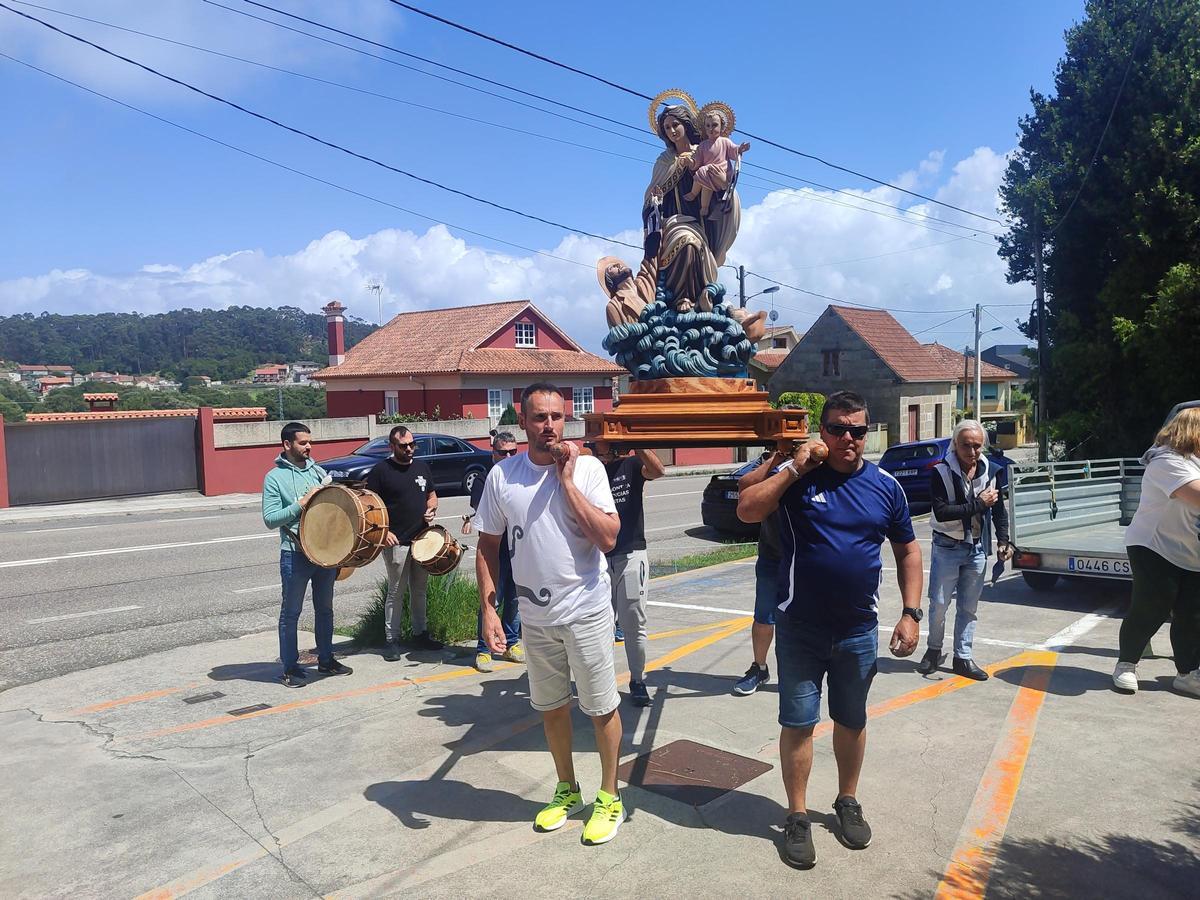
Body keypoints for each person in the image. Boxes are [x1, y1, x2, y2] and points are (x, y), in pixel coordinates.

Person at [737, 390, 923, 869]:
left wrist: (911, 612)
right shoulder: (800, 479)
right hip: (800, 627)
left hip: (858, 629)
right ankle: (797, 816)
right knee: (798, 724)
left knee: (852, 719)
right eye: (838, 429)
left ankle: (847, 799)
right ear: (823, 432)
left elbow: (907, 550)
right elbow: (748, 508)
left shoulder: (885, 487)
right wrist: (794, 466)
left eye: (857, 431)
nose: (847, 439)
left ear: (868, 433)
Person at [474, 383, 626, 846]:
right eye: (539, 417)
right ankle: (566, 788)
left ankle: (609, 796)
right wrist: (489, 609)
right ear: (522, 422)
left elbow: (608, 538)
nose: (549, 426)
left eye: (557, 417)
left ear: (567, 420)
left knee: (600, 706)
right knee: (552, 708)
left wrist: (565, 481)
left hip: (585, 608)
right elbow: (488, 545)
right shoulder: (503, 477)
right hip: (534, 617)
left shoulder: (590, 470)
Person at [1112, 407, 1200, 696]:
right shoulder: (1166, 462)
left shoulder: (1194, 462)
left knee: (1192, 614)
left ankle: (1187, 673)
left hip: (1190, 551)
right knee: (1152, 607)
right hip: (1153, 546)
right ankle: (1126, 664)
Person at [918, 420, 1012, 680]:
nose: (972, 452)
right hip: (947, 546)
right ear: (955, 445)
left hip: (977, 548)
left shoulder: (991, 471)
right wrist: (978, 504)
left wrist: (1004, 541)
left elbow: (999, 512)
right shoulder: (941, 472)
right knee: (938, 604)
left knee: (969, 608)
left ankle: (963, 657)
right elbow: (941, 511)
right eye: (966, 446)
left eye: (977, 446)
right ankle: (933, 651)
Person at [261, 422, 352, 688]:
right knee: (291, 613)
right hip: (295, 554)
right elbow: (270, 519)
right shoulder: (274, 478)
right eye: (302, 443)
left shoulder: (318, 472)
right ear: (287, 445)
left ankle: (326, 659)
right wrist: (301, 503)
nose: (309, 447)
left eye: (310, 442)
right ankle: (290, 668)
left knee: (325, 609)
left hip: (323, 554)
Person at [592, 441, 666, 707]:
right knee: (599, 625)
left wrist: (639, 444)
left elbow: (657, 470)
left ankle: (637, 680)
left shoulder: (632, 465)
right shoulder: (591, 469)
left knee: (634, 623)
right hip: (598, 557)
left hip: (631, 554)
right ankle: (602, 681)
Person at [365, 425, 441, 661]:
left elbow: (431, 494)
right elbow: (369, 507)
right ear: (392, 447)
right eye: (403, 446)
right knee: (396, 591)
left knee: (420, 590)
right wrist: (383, 532)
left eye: (411, 444)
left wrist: (432, 509)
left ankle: (420, 634)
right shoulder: (380, 471)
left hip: (421, 539)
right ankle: (392, 640)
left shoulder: (421, 467)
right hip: (395, 541)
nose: (409, 449)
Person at [463, 430, 524, 673]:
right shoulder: (484, 479)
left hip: (517, 548)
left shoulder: (520, 477)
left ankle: (511, 642)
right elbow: (483, 509)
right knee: (491, 599)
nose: (508, 456)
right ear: (493, 453)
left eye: (513, 452)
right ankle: (484, 649)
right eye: (503, 452)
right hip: (494, 549)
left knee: (515, 598)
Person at [732, 449, 786, 696]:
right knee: (764, 617)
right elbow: (744, 485)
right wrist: (775, 459)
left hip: (806, 557)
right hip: (772, 556)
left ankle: (800, 672)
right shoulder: (767, 462)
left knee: (803, 620)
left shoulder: (812, 459)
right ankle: (760, 668)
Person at [682, 107, 750, 218]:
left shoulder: (724, 142)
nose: (711, 129)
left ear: (722, 127)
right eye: (708, 126)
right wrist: (691, 162)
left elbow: (734, 151)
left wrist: (740, 149)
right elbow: (697, 160)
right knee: (705, 180)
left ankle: (697, 197)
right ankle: (701, 202)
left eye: (714, 125)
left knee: (703, 172)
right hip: (707, 173)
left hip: (721, 172)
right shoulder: (703, 145)